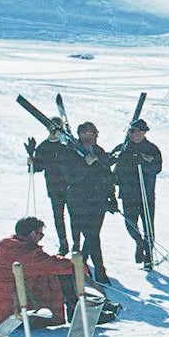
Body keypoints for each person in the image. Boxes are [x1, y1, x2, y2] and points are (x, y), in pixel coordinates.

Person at [0, 216, 118, 327]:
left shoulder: (9, 244)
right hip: (8, 310)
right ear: (32, 233)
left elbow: (45, 262)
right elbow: (51, 264)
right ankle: (78, 314)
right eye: (40, 234)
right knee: (64, 272)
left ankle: (77, 310)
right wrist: (79, 266)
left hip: (3, 304)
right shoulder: (25, 251)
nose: (41, 238)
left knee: (59, 271)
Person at [65, 121, 118, 285]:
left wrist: (112, 197)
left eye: (94, 134)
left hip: (98, 199)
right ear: (80, 135)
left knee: (93, 235)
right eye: (88, 134)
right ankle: (98, 270)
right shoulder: (71, 152)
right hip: (78, 199)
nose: (91, 137)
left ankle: (84, 265)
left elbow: (107, 176)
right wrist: (85, 165)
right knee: (90, 235)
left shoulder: (100, 152)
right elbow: (68, 177)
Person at [113, 118, 162, 268]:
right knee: (130, 223)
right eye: (132, 131)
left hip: (146, 193)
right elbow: (114, 167)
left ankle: (148, 254)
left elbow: (157, 168)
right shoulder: (124, 148)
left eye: (139, 131)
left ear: (144, 132)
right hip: (128, 193)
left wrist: (145, 162)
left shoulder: (152, 149)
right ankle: (138, 242)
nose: (135, 134)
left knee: (148, 225)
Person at [27, 119, 78, 254]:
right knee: (58, 216)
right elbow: (37, 167)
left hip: (70, 186)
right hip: (54, 187)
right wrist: (31, 159)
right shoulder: (43, 147)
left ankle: (76, 243)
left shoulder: (67, 145)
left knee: (74, 216)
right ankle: (63, 243)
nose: (54, 131)